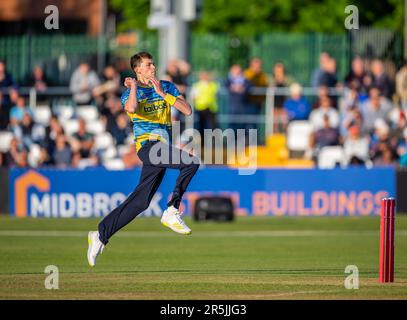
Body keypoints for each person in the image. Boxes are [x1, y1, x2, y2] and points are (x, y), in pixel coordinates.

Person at [87, 52, 199, 267]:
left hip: (162, 146)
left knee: (140, 201)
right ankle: (172, 210)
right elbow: (130, 109)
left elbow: (187, 109)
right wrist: (135, 88)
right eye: (148, 65)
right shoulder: (131, 91)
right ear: (138, 70)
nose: (153, 67)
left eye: (153, 63)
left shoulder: (166, 86)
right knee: (191, 162)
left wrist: (162, 93)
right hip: (147, 146)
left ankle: (100, 234)